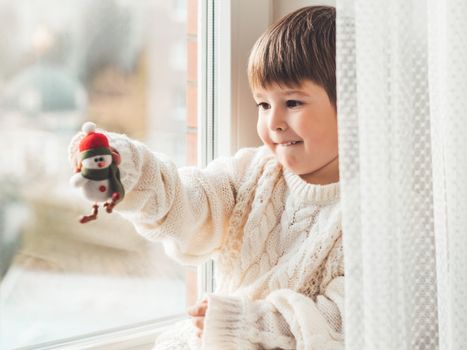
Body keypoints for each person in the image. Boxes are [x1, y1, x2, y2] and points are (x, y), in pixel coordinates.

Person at [69, 5, 343, 350]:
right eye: (263, 104)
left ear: (350, 105)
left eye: (292, 103)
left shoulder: (369, 213)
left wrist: (240, 323)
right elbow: (188, 201)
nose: (273, 122)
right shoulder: (253, 172)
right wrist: (130, 170)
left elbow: (339, 322)